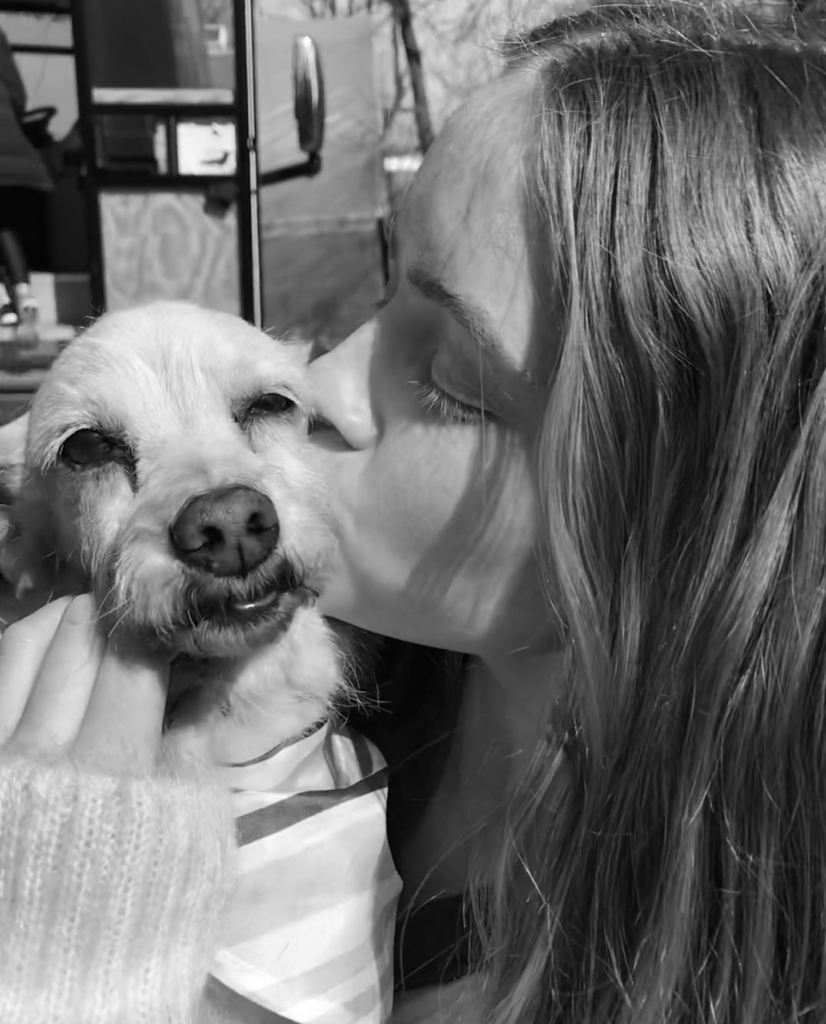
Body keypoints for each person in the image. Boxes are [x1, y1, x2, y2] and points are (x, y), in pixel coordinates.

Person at [3, 1, 826, 1022]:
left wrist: (67, 977)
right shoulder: (352, 669)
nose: (320, 384)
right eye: (380, 297)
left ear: (678, 516)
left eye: (450, 377)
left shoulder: (697, 961)